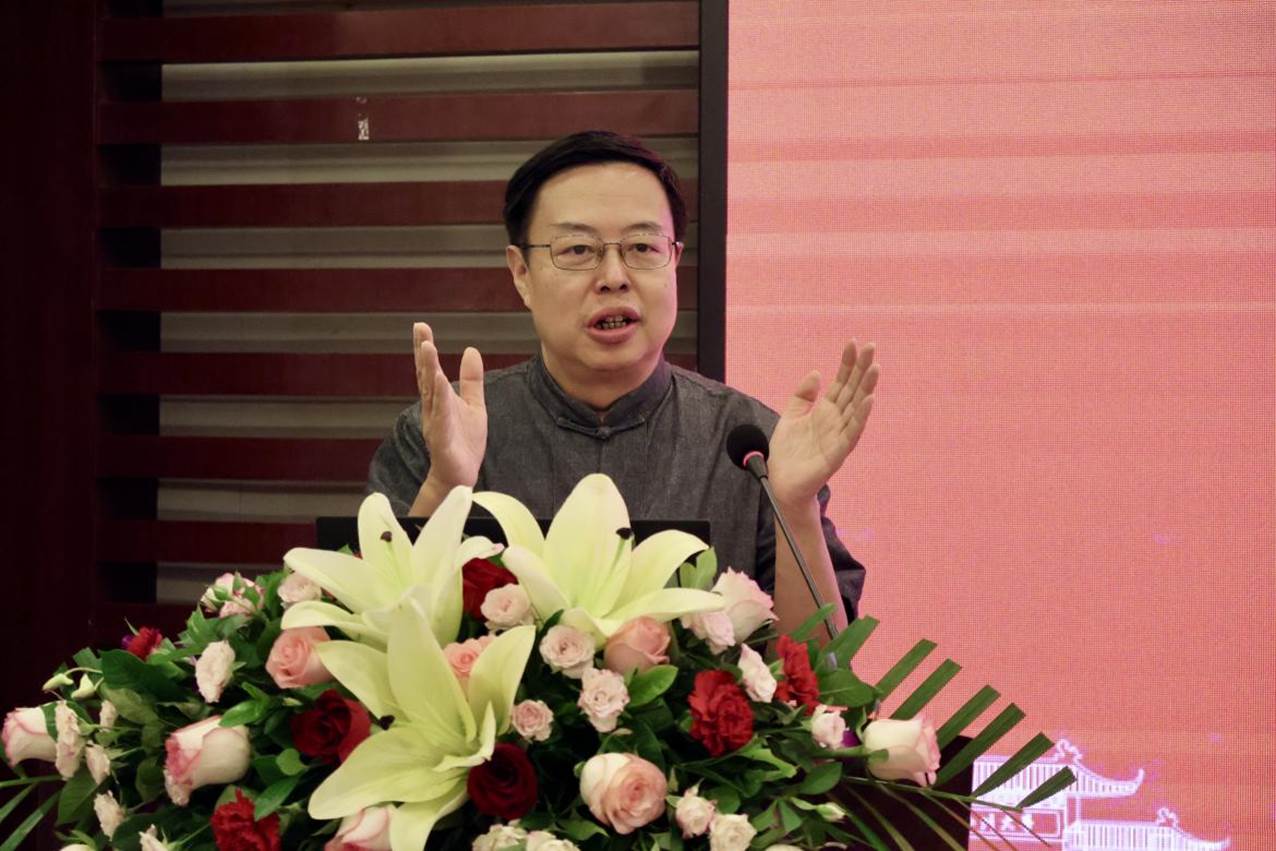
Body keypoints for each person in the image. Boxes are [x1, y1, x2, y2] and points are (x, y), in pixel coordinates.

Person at [368, 130, 879, 633]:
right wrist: (445, 486)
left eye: (641, 246)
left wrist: (794, 508)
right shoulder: (441, 436)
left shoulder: (753, 448)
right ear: (521, 273)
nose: (613, 276)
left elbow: (819, 667)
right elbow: (368, 634)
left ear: (674, 260)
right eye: (577, 249)